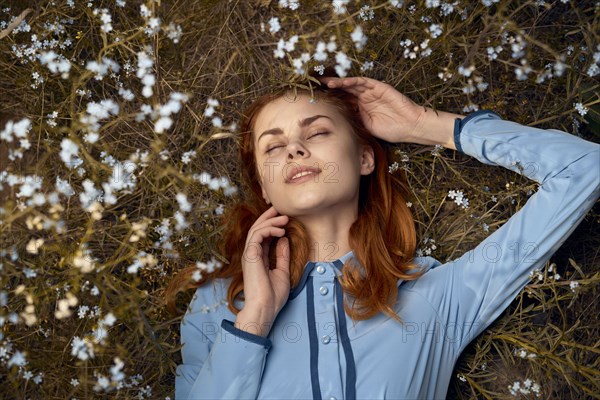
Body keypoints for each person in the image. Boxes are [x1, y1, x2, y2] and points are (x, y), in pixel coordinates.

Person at [169, 75, 600, 400]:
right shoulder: (218, 306)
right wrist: (255, 320)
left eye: (316, 132)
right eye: (273, 147)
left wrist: (425, 125)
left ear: (364, 158)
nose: (295, 150)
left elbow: (583, 168)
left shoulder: (436, 298)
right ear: (264, 187)